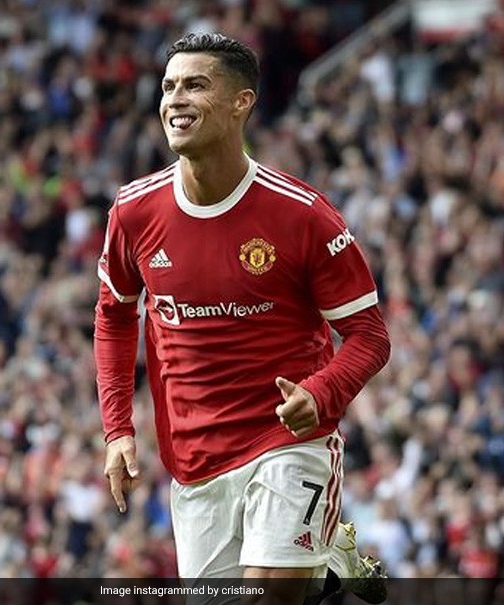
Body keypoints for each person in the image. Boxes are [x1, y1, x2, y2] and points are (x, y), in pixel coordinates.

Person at [94, 33, 391, 604]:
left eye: (195, 85)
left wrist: (322, 392)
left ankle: (312, 565)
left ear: (241, 102)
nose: (175, 99)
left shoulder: (302, 215)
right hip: (195, 455)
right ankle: (327, 565)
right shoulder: (133, 212)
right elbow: (113, 318)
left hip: (287, 437)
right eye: (168, 86)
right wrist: (117, 430)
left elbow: (369, 335)